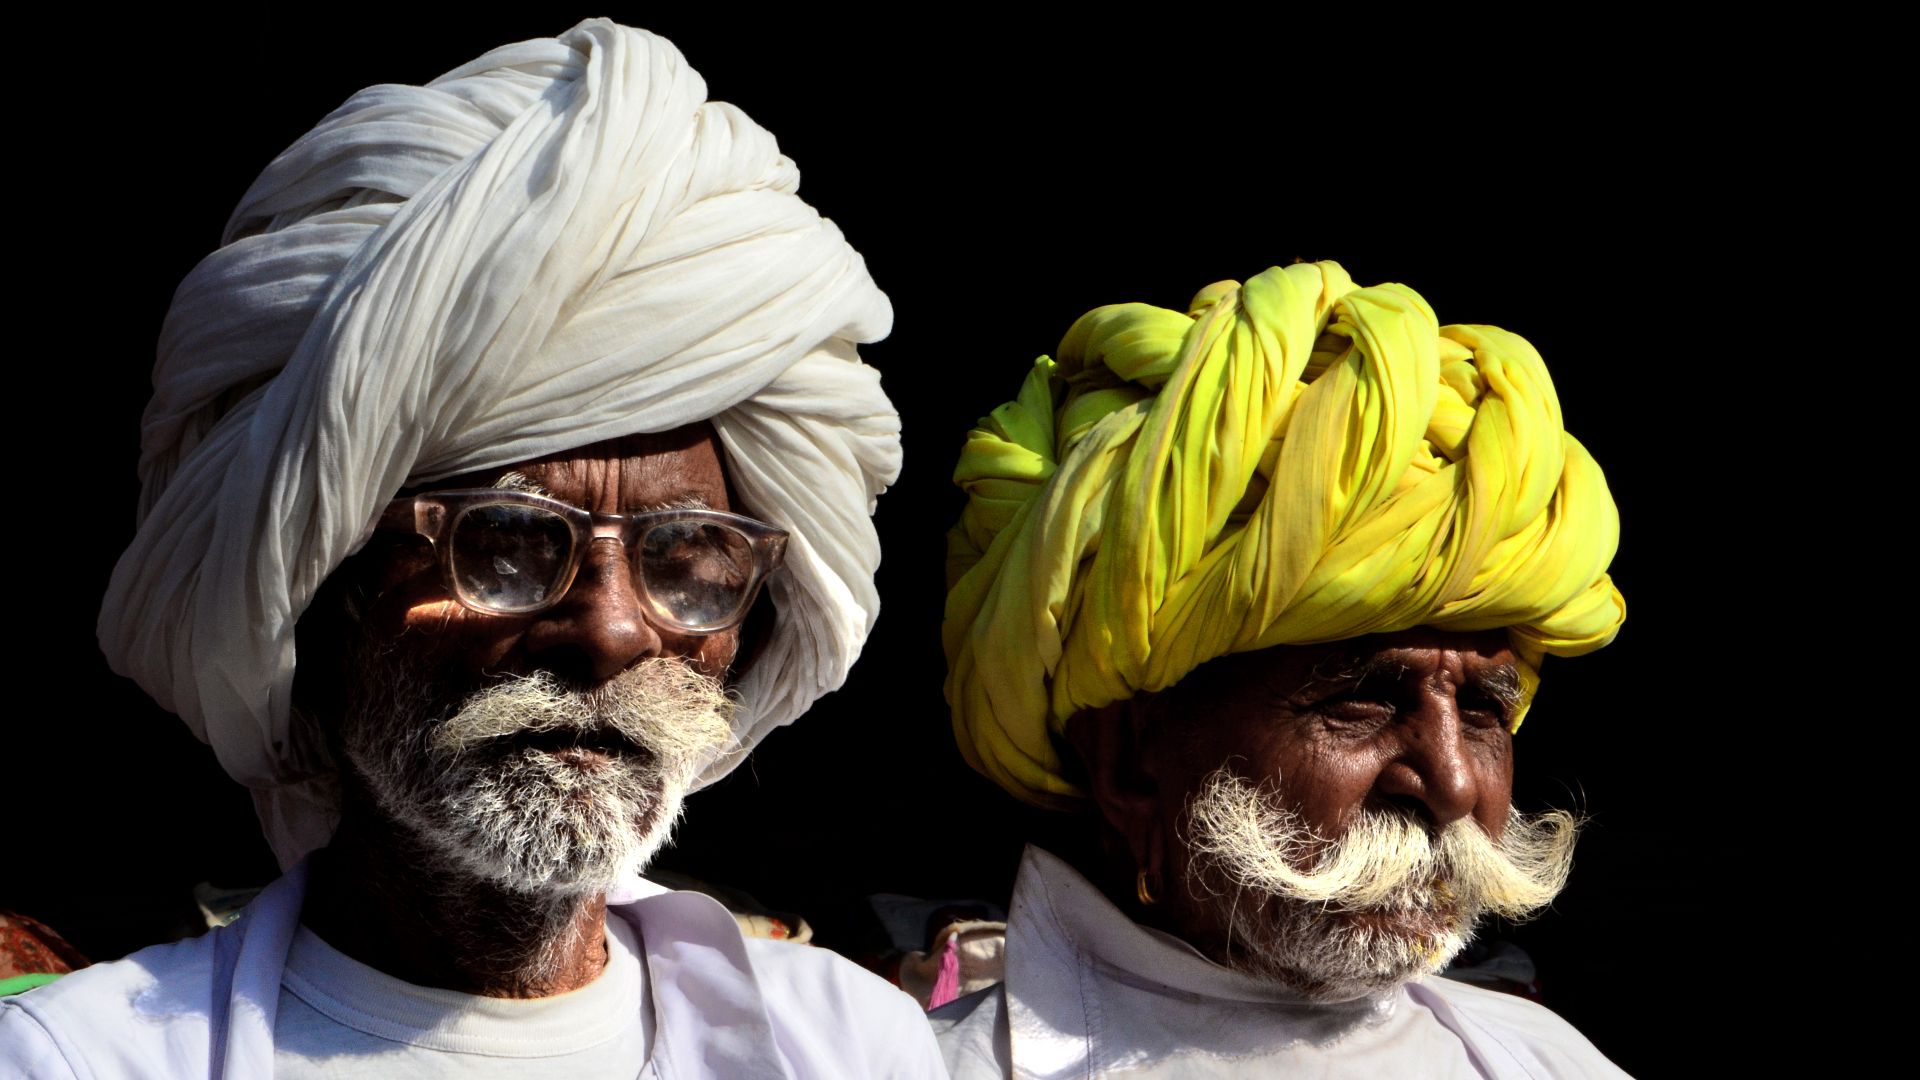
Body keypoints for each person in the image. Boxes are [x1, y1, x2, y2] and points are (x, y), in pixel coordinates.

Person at [2, 20, 942, 1078]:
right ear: (325, 588)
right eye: (502, 540)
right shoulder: (84, 1060)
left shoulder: (854, 1045)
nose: (611, 629)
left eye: (688, 556)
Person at [933, 261, 1630, 1077]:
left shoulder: (1547, 1062)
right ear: (1128, 763)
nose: (1452, 786)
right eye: (1362, 702)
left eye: (1480, 711)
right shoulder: (923, 1063)